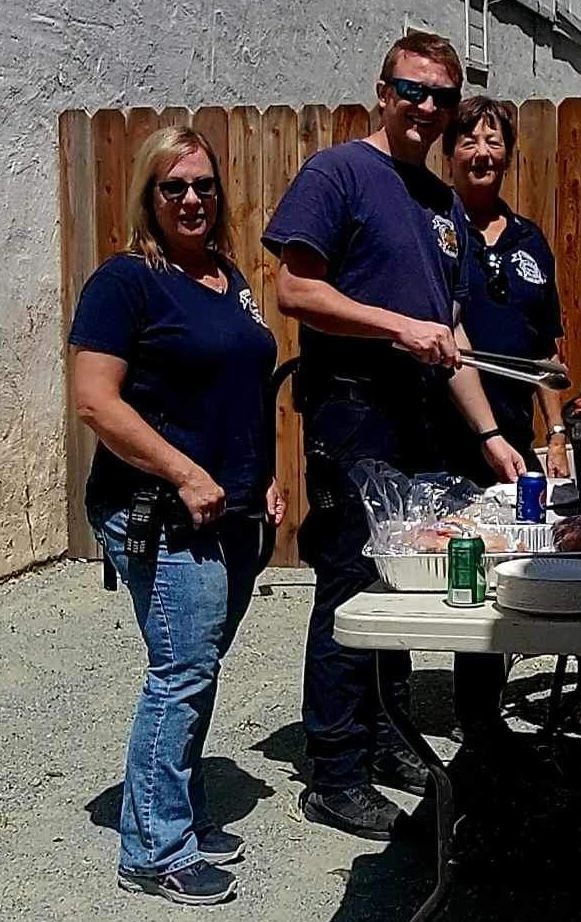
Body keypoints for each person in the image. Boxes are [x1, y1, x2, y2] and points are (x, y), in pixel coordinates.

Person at [263, 33, 525, 841]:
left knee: (403, 584)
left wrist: (488, 435)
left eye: (442, 97)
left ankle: (386, 738)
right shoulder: (339, 173)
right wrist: (396, 328)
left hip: (418, 417)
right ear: (383, 91)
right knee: (349, 583)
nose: (427, 109)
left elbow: (445, 335)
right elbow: (294, 288)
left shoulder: (440, 205)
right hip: (353, 409)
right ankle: (334, 769)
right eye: (413, 91)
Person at [69, 126, 285, 906]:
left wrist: (262, 476)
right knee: (180, 673)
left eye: (203, 185)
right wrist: (186, 472)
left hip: (230, 511)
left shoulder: (227, 276)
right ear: (148, 197)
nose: (192, 199)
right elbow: (96, 401)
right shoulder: (126, 283)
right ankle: (154, 849)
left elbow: (246, 383)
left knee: (198, 667)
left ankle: (174, 808)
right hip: (160, 511)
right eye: (173, 187)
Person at [443, 96, 569, 750]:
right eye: (470, 142)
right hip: (440, 436)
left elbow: (547, 349)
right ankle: (385, 722)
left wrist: (555, 433)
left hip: (512, 443)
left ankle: (480, 717)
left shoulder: (530, 242)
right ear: (451, 152)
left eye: (494, 142)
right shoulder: (434, 230)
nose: (483, 154)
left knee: (502, 574)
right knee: (423, 579)